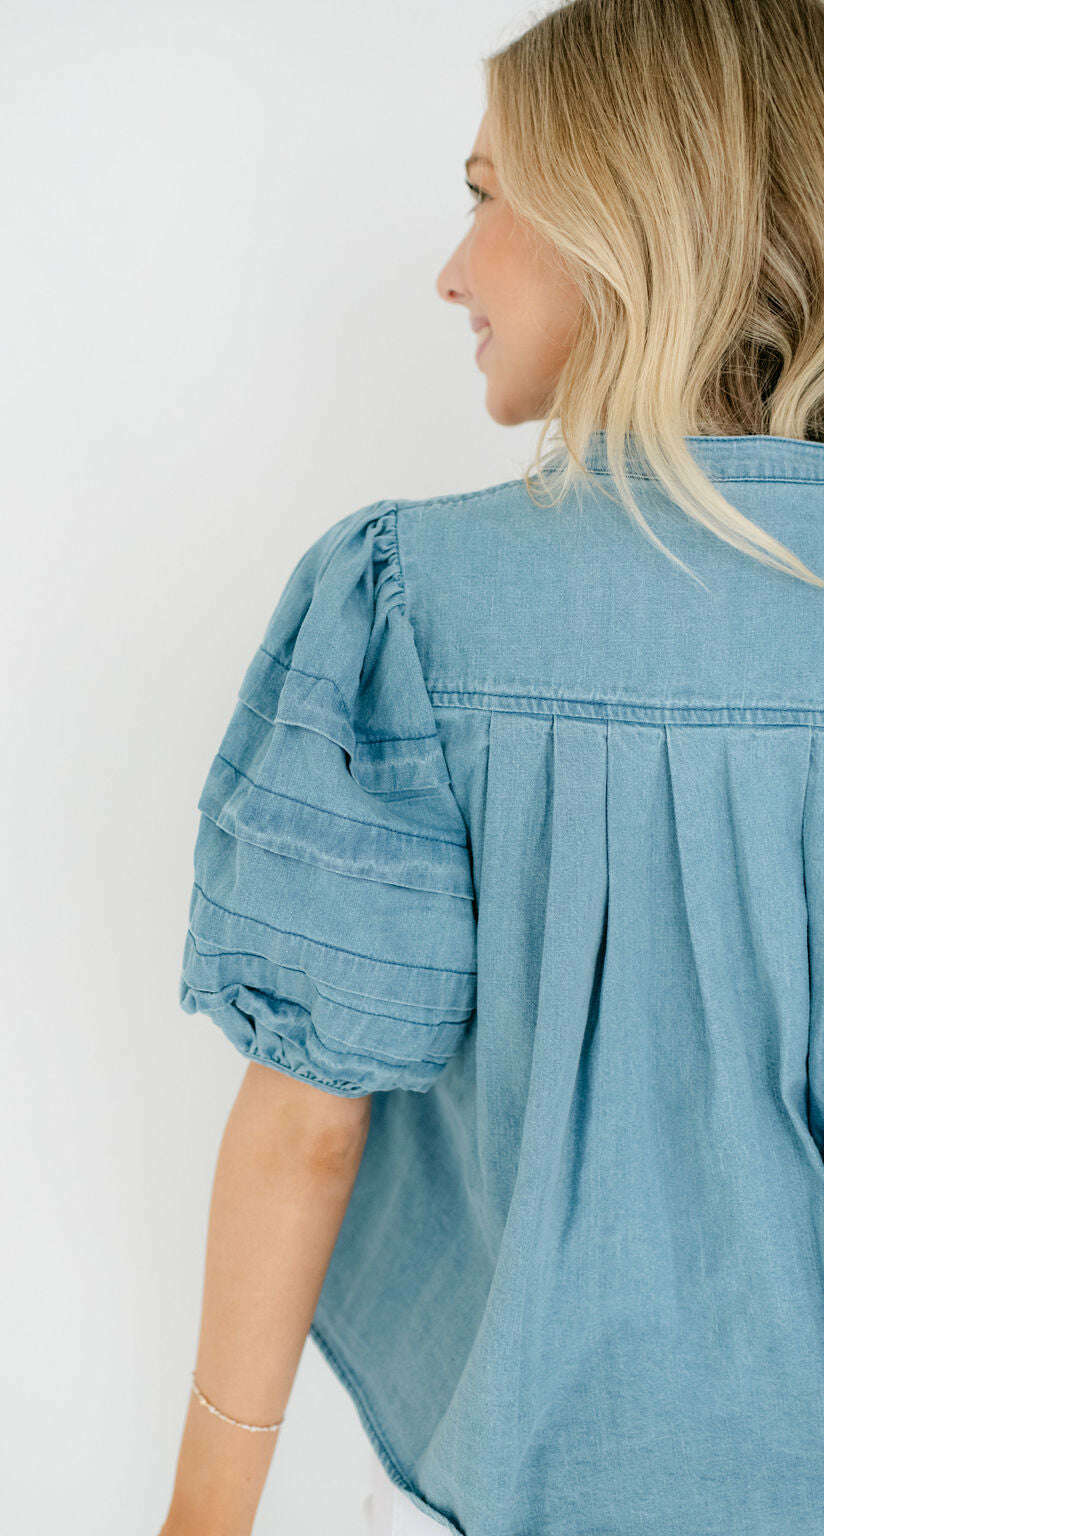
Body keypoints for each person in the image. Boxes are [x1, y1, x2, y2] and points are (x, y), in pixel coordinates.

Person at [156, 1, 823, 1531]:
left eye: (486, 193)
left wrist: (202, 1517)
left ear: (630, 212)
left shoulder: (416, 604)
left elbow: (309, 1126)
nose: (453, 269)